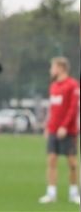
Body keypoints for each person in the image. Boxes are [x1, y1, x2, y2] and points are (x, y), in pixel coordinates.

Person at [38, 56, 80, 205]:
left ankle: (74, 193)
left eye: (53, 67)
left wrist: (64, 126)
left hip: (68, 131)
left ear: (61, 68)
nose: (51, 70)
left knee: (72, 163)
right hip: (54, 131)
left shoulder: (73, 85)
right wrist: (48, 127)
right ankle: (51, 193)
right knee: (51, 160)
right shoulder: (53, 86)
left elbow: (73, 108)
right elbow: (52, 109)